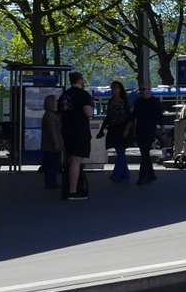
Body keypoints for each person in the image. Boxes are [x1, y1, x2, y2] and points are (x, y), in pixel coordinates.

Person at [59, 72, 95, 200]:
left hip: (66, 130)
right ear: (80, 80)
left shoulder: (64, 95)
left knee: (70, 160)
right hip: (79, 131)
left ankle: (68, 187)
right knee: (76, 161)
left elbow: (60, 114)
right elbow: (88, 112)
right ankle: (73, 191)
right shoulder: (83, 95)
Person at [98, 79, 133, 183]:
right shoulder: (111, 101)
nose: (113, 89)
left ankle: (116, 174)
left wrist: (127, 129)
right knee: (119, 151)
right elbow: (108, 117)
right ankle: (125, 174)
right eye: (112, 87)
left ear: (120, 89)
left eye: (115, 87)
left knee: (121, 151)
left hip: (122, 128)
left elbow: (130, 116)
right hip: (113, 128)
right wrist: (101, 130)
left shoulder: (125, 101)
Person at [131, 81, 164, 185]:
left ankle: (142, 176)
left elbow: (160, 118)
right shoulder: (138, 102)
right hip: (140, 130)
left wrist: (163, 132)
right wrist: (130, 129)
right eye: (140, 89)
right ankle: (151, 174)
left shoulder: (155, 102)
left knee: (145, 153)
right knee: (144, 153)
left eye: (143, 89)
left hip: (150, 130)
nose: (141, 91)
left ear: (149, 89)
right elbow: (133, 116)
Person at [40, 93, 63, 189]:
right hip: (51, 146)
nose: (57, 103)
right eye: (56, 101)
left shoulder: (50, 115)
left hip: (50, 145)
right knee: (51, 164)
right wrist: (56, 143)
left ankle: (51, 181)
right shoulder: (50, 116)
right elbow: (51, 131)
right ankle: (50, 182)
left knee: (52, 163)